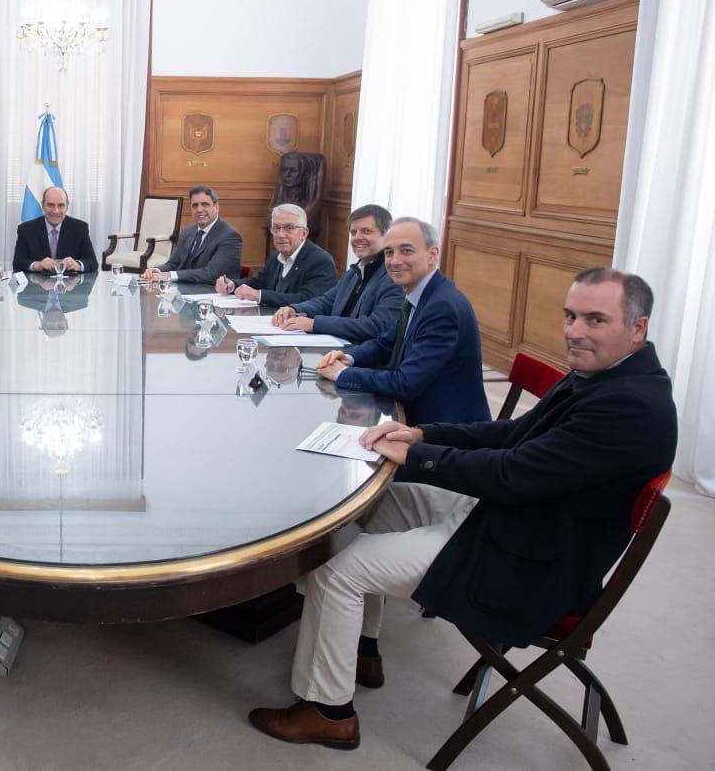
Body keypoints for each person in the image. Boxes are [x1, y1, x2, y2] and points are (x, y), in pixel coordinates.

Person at [248, 268, 677, 751]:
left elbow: (512, 474)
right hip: (515, 521)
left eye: (595, 320)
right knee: (366, 510)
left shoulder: (630, 406)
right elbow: (512, 435)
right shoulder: (606, 375)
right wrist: (425, 434)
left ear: (637, 327)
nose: (575, 331)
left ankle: (328, 713)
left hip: (529, 561)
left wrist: (418, 457)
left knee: (337, 569)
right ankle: (362, 651)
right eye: (571, 316)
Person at [314, 217, 489, 427]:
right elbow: (385, 343)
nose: (395, 261)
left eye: (406, 250)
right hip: (414, 416)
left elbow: (404, 383)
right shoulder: (418, 295)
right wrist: (348, 358)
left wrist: (342, 374)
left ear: (432, 255)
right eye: (389, 252)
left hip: (443, 432)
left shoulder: (442, 307)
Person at [272, 204, 403, 344]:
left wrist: (314, 324)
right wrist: (295, 309)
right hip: (335, 349)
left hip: (363, 358)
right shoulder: (354, 272)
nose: (357, 238)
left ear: (387, 235)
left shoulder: (395, 276)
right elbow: (326, 302)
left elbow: (376, 326)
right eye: (353, 232)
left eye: (366, 231)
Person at [215, 203, 335, 308]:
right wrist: (232, 285)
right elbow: (261, 281)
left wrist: (259, 296)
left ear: (304, 233)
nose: (281, 234)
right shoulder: (276, 256)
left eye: (289, 228)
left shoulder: (320, 261)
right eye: (276, 228)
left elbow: (307, 299)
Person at [140, 185, 242, 285]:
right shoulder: (188, 232)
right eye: (195, 205)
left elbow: (212, 274)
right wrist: (157, 271)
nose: (199, 210)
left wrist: (170, 275)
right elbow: (173, 264)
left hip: (212, 294)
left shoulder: (230, 237)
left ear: (216, 207)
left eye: (205, 204)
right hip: (184, 291)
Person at [12, 186, 98, 275]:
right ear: (42, 206)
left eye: (61, 205)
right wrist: (37, 265)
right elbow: (17, 263)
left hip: (70, 286)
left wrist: (77, 265)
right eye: (50, 205)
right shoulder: (26, 229)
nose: (56, 211)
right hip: (37, 286)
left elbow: (92, 262)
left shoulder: (80, 228)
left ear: (67, 207)